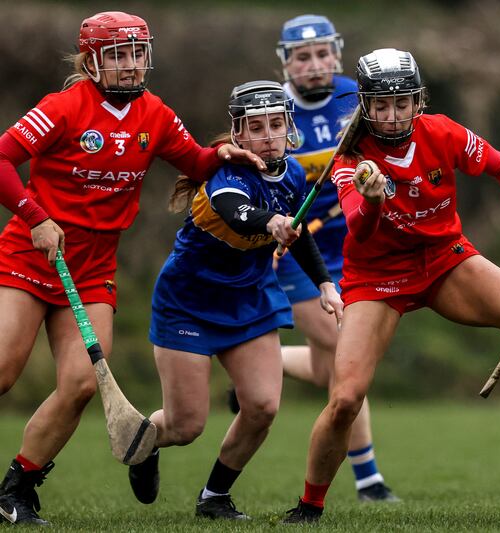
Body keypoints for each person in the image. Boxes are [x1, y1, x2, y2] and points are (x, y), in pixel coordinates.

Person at [283, 48, 500, 523]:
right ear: (364, 105)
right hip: (376, 279)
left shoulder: (441, 131)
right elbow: (360, 232)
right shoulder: (351, 160)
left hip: (445, 261)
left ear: (417, 99)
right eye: (380, 105)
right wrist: (372, 200)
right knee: (344, 399)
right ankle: (310, 505)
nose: (390, 115)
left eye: (401, 102)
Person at [0, 11, 265, 526]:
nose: (129, 65)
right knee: (4, 372)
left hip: (93, 269)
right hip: (31, 257)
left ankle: (18, 488)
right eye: (117, 55)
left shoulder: (156, 115)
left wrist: (221, 154)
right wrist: (34, 217)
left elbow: (194, 161)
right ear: (92, 61)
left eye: (136, 53)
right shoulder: (64, 107)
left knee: (80, 385)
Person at [126, 80, 343, 520]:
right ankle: (147, 440)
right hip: (189, 300)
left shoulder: (295, 173)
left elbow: (298, 234)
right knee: (186, 426)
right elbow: (236, 213)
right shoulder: (224, 175)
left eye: (276, 124)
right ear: (238, 133)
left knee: (262, 406)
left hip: (250, 296)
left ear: (289, 128)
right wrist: (274, 222)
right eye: (255, 126)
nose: (267, 135)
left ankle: (214, 498)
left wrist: (324, 283)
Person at [228, 14, 400, 502]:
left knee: (335, 370)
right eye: (302, 56)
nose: (314, 64)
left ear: (338, 53)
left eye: (323, 53)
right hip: (298, 253)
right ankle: (369, 480)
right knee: (348, 354)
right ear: (285, 60)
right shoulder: (273, 110)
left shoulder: (357, 99)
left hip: (356, 248)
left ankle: (262, 363)